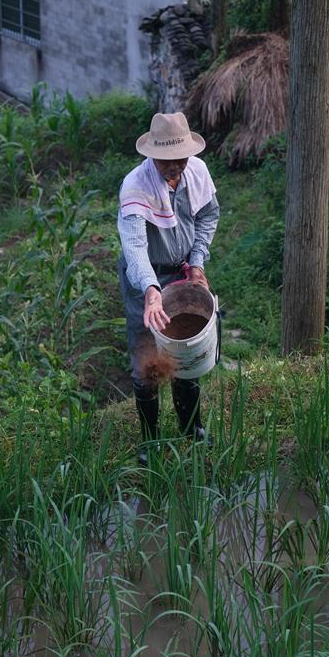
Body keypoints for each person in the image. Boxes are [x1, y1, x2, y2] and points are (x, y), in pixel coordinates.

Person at [117, 111, 220, 464]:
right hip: (144, 278)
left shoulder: (197, 173)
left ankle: (192, 428)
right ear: (152, 156)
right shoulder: (136, 186)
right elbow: (134, 246)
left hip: (182, 271)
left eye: (180, 158)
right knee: (148, 353)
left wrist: (197, 262)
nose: (174, 165)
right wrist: (149, 289)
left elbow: (208, 216)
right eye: (166, 160)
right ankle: (149, 442)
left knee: (185, 346)